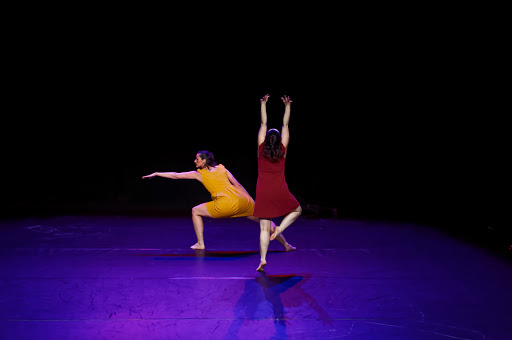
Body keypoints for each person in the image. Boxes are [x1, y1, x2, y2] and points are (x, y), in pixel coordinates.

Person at [142, 150, 295, 251]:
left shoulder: (199, 174)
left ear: (203, 161)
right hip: (243, 201)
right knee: (265, 220)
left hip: (225, 205)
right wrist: (252, 202)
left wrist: (156, 173)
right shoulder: (222, 168)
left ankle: (200, 244)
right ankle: (286, 245)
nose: (195, 161)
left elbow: (176, 175)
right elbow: (238, 185)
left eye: (197, 159)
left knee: (195, 211)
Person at [253, 94, 302, 272]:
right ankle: (280, 229)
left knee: (264, 227)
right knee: (297, 210)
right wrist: (288, 106)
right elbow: (285, 125)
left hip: (263, 191)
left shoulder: (260, 150)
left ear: (266, 140)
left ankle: (263, 259)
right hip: (279, 189)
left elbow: (263, 124)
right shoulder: (283, 150)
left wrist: (263, 105)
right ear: (279, 140)